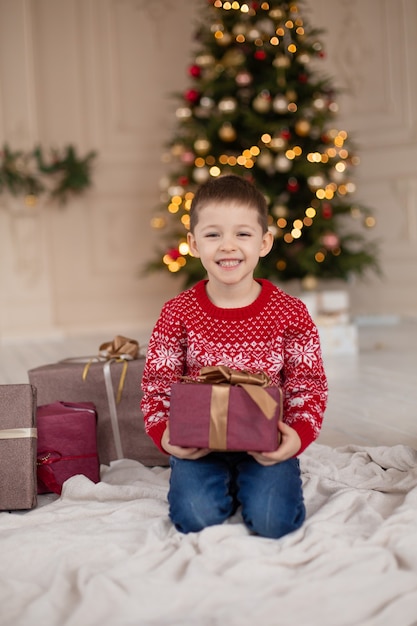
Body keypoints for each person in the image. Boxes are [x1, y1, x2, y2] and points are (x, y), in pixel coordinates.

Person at [141, 174, 327, 539]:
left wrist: (297, 437)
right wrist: (165, 436)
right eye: (213, 235)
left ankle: (253, 486)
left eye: (242, 234)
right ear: (194, 244)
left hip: (266, 440)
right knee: (195, 517)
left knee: (275, 521)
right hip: (200, 444)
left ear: (265, 242)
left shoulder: (291, 313)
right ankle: (223, 487)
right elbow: (157, 385)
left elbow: (309, 384)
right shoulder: (176, 313)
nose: (228, 247)